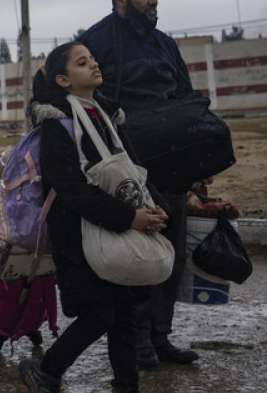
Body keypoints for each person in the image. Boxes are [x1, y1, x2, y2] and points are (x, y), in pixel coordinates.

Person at [17, 42, 170, 393]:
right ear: (63, 79)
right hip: (77, 231)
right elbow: (68, 185)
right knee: (99, 313)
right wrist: (129, 218)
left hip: (117, 224)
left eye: (92, 60)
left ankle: (126, 384)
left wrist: (156, 207)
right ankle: (46, 370)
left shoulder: (107, 115)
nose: (94, 65)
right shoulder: (59, 121)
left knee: (126, 311)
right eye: (82, 63)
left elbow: (133, 169)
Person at [77, 0, 200, 368]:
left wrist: (201, 157)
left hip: (173, 163)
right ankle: (136, 344)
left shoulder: (166, 45)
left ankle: (160, 339)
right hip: (126, 168)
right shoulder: (94, 44)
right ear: (120, 0)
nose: (153, 1)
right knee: (136, 254)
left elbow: (186, 101)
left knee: (172, 254)